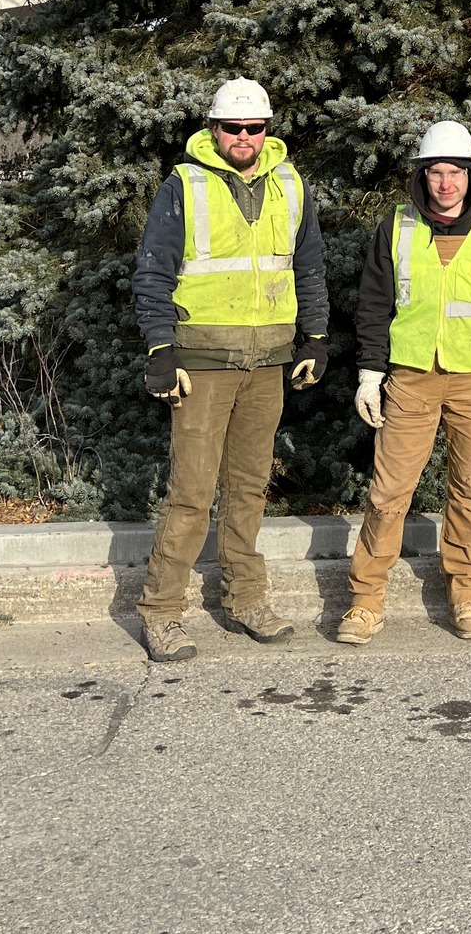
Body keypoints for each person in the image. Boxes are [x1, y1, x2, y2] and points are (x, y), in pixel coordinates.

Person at [133, 78, 330, 661]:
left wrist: (315, 339)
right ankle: (162, 611)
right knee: (191, 493)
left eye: (254, 128)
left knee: (248, 489)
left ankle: (246, 598)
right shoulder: (184, 186)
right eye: (232, 128)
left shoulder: (291, 186)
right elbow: (153, 273)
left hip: (268, 363)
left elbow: (309, 268)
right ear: (213, 128)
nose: (243, 138)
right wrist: (159, 349)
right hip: (202, 365)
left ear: (267, 129)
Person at [335, 121, 471, 646]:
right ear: (421, 177)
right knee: (388, 492)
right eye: (435, 173)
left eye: (455, 173)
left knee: (470, 491)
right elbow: (375, 304)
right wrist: (370, 372)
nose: (445, 183)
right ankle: (365, 602)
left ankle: (466, 595)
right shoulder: (396, 227)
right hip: (410, 378)